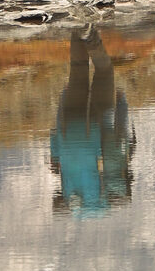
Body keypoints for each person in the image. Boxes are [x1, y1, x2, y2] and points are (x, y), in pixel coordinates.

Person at [49, 27, 135, 212]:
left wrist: (122, 104)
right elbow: (55, 139)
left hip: (94, 123)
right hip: (68, 122)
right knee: (78, 68)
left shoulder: (109, 183)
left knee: (105, 71)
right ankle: (75, 29)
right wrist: (62, 101)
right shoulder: (68, 187)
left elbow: (117, 142)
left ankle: (90, 37)